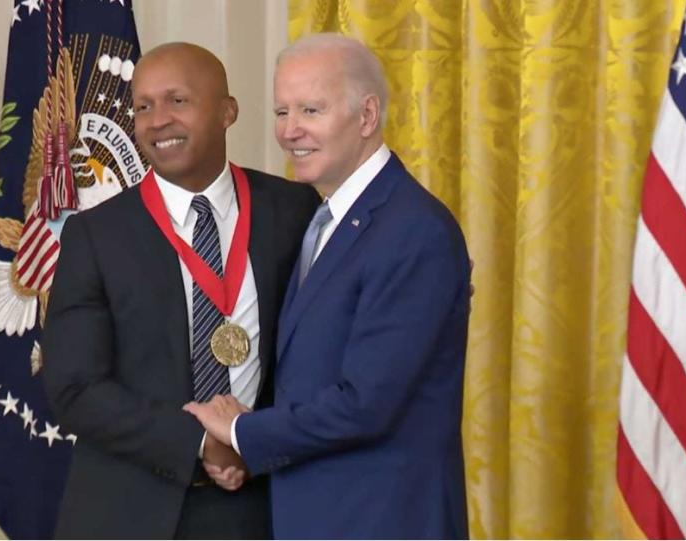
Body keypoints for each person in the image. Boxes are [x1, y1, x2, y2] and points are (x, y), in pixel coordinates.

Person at [184, 33, 472, 539]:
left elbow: (365, 403)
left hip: (385, 521)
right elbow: (310, 377)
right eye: (281, 112)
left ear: (366, 116)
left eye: (310, 110)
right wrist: (256, 453)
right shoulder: (326, 219)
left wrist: (241, 431)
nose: (290, 131)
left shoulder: (414, 230)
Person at [41, 42, 320, 539]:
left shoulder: (293, 209)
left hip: (265, 506)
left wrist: (255, 442)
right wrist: (207, 443)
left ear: (227, 111)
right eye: (143, 106)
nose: (157, 120)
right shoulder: (95, 235)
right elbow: (74, 387)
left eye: (177, 101)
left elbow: (321, 348)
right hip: (130, 513)